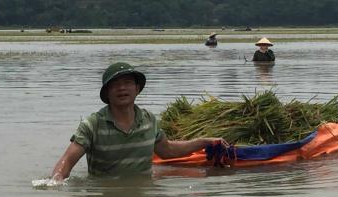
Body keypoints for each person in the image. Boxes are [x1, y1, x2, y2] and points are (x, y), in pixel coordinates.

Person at [51, 62, 227, 180]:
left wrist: (203, 142)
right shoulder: (93, 125)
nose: (122, 88)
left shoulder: (148, 120)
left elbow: (168, 151)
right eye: (115, 84)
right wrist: (56, 181)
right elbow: (66, 161)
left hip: (143, 195)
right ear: (107, 93)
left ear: (137, 89)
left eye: (127, 83)